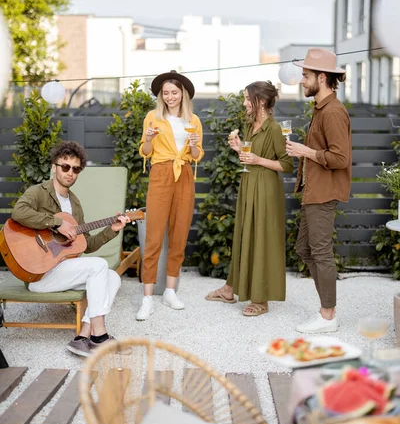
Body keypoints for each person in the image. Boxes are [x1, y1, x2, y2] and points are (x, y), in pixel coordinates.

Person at [11, 141, 129, 357]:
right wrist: (56, 222)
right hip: (39, 274)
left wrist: (111, 230)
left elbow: (86, 245)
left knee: (113, 277)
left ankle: (82, 337)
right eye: (65, 166)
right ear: (54, 167)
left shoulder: (74, 203)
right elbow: (19, 213)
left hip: (63, 271)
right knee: (100, 266)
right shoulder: (38, 192)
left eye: (75, 169)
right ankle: (100, 336)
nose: (70, 173)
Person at [205, 81, 293, 316]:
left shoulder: (274, 128)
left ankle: (261, 300)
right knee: (244, 235)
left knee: (262, 238)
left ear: (261, 101)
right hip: (248, 186)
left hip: (266, 189)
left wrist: (257, 160)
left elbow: (286, 164)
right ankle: (230, 288)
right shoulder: (249, 124)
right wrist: (239, 148)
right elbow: (249, 156)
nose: (244, 103)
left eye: (247, 98)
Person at [286, 48, 351, 334]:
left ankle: (328, 316)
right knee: (305, 248)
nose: (301, 80)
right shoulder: (321, 109)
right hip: (313, 190)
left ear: (321, 77)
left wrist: (306, 152)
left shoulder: (334, 112)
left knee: (320, 252)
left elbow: (340, 158)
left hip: (324, 192)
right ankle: (327, 308)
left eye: (306, 75)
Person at [137, 70, 204, 320]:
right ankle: (147, 298)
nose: (170, 97)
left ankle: (170, 291)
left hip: (184, 173)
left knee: (179, 233)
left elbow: (196, 156)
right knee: (154, 235)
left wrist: (195, 144)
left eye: (174, 93)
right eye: (165, 93)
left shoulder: (193, 120)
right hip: (161, 172)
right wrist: (148, 138)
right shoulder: (152, 117)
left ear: (183, 94)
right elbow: (145, 151)